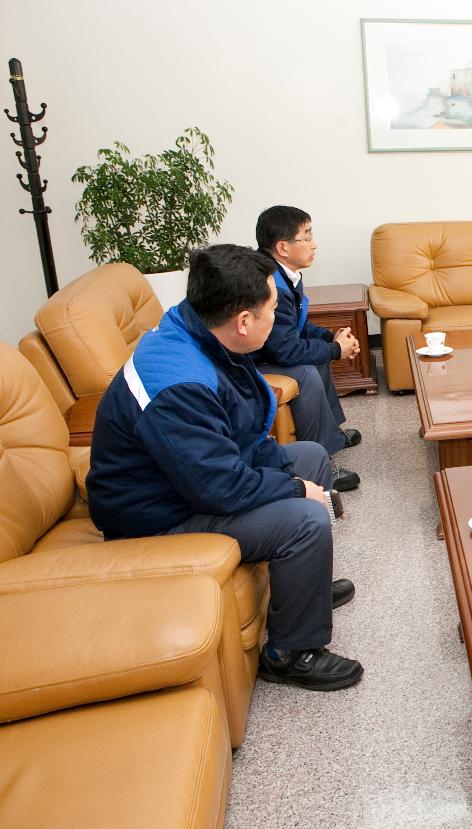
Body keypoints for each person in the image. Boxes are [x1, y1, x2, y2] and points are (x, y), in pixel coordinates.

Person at [88, 244, 364, 692]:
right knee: (306, 518)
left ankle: (303, 588)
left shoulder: (200, 330)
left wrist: (293, 474)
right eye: (273, 310)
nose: (277, 320)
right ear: (243, 321)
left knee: (311, 455)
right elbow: (218, 488)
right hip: (157, 515)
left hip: (191, 480)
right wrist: (296, 491)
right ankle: (291, 653)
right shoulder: (177, 383)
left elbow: (235, 436)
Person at [254, 205, 361, 491]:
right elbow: (286, 352)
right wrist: (337, 350)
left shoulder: (281, 272)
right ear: (283, 247)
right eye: (307, 236)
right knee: (306, 371)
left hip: (266, 351)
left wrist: (330, 338)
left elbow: (296, 327)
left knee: (318, 353)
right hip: (248, 362)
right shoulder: (269, 283)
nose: (314, 244)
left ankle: (331, 435)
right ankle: (324, 458)